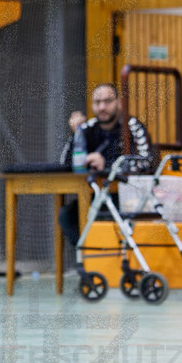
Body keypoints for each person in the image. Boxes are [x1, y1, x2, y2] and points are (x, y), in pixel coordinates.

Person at [57, 83, 157, 247]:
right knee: (66, 215)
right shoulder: (88, 128)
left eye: (108, 101)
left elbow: (147, 162)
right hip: (95, 195)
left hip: (128, 196)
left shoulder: (132, 126)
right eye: (97, 102)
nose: (102, 107)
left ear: (119, 103)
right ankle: (88, 255)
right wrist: (76, 134)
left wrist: (107, 166)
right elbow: (65, 164)